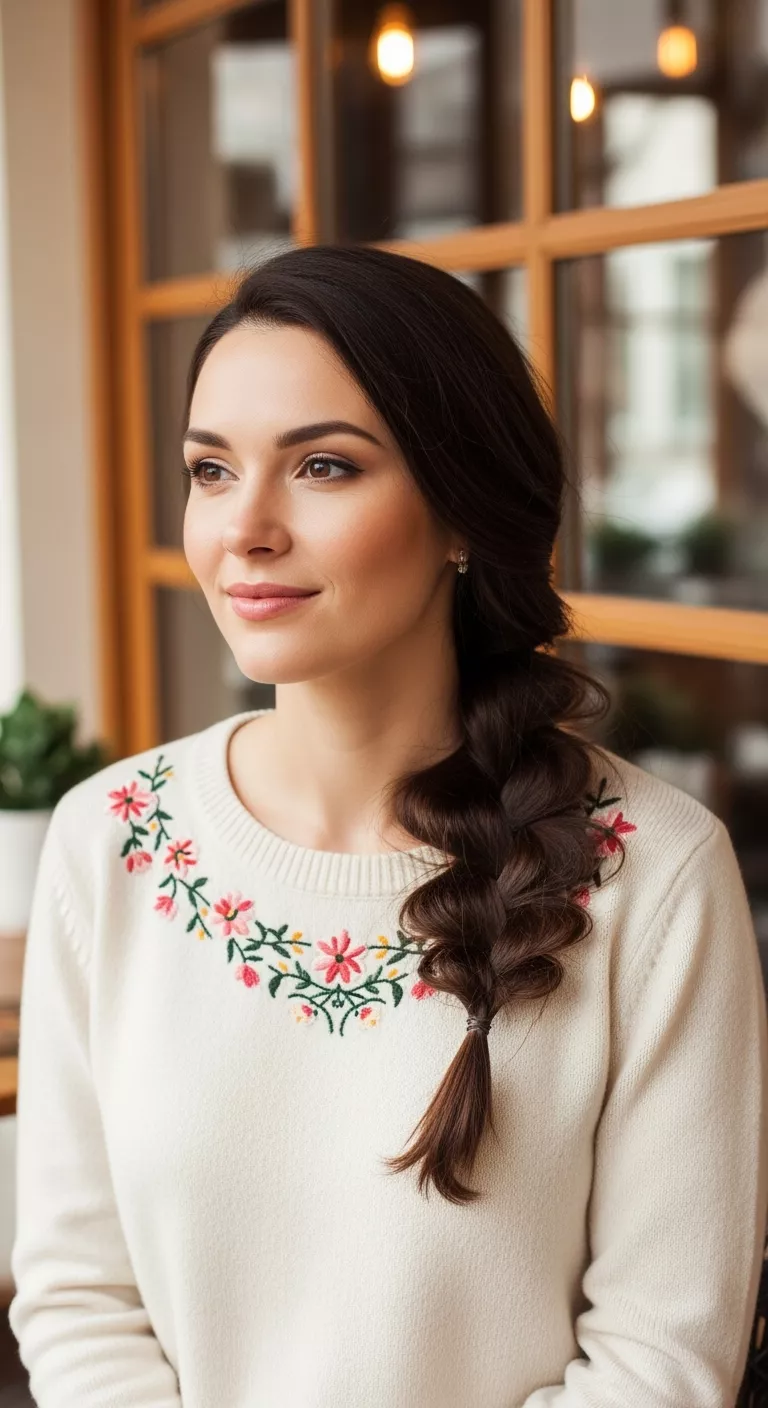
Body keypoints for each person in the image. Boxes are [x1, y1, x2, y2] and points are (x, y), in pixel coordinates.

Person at [9, 244, 768, 1408]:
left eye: (322, 466)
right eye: (209, 471)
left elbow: (660, 1359)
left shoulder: (654, 875)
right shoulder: (107, 840)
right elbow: (76, 1294)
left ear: (462, 513)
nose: (245, 528)